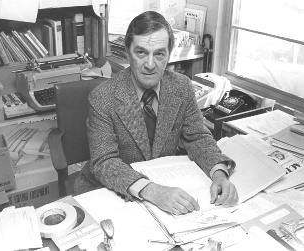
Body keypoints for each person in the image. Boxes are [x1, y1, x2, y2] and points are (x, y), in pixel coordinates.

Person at [73, 11, 238, 215]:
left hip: (162, 189)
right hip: (108, 191)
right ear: (127, 52)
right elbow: (104, 162)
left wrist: (219, 174)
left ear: (169, 54)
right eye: (141, 52)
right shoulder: (103, 97)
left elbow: (198, 138)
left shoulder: (181, 87)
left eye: (159, 54)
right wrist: (153, 191)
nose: (150, 65)